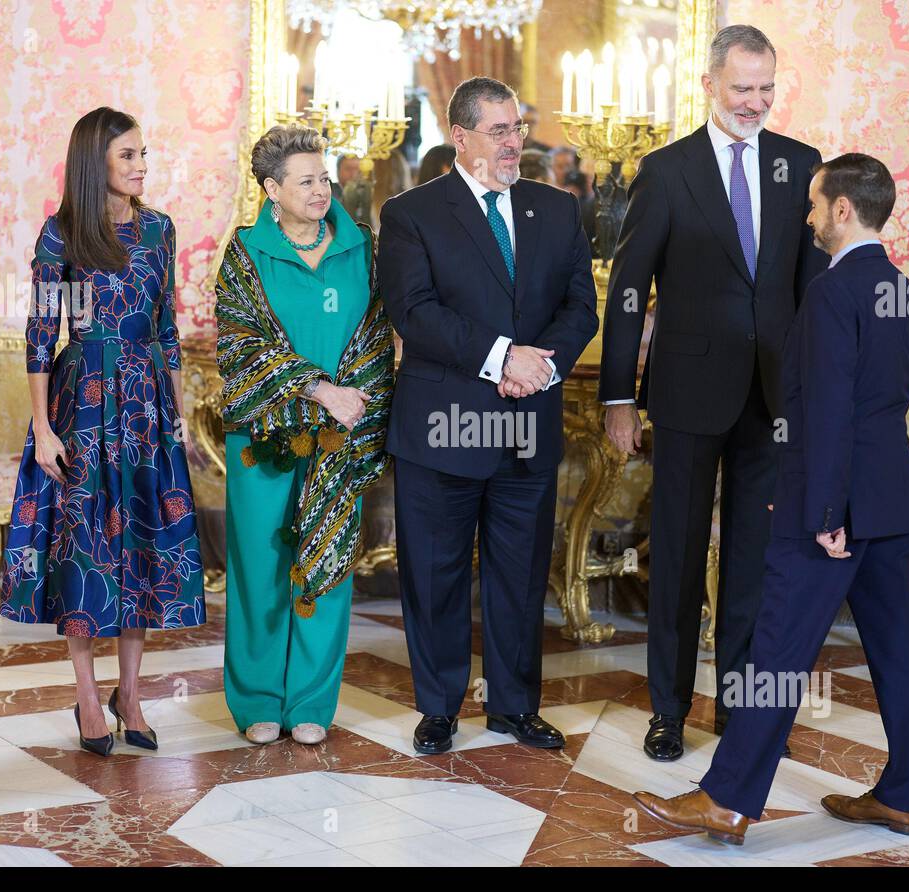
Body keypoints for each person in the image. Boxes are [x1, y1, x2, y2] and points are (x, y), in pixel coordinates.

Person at [633, 153, 909, 844]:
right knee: (898, 654)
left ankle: (728, 798)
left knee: (775, 651)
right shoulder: (907, 293)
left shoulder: (832, 293)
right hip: (895, 502)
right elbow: (884, 409)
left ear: (841, 210)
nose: (805, 217)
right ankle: (907, 796)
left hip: (834, 511)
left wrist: (827, 511)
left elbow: (829, 408)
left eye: (812, 204)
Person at [599, 25, 827, 762]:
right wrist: (618, 398)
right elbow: (629, 290)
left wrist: (814, 394)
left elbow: (809, 291)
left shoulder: (801, 166)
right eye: (742, 89)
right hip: (687, 394)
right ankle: (668, 709)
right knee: (676, 555)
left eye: (766, 88)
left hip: (773, 399)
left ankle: (740, 707)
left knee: (756, 561)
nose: (755, 102)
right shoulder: (666, 171)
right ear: (708, 85)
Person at [378, 76, 598, 755]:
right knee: (436, 574)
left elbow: (579, 308)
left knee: (521, 575)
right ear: (460, 137)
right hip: (442, 429)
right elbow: (413, 312)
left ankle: (513, 707)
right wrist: (503, 356)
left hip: (527, 425)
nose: (514, 144)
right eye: (499, 131)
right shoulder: (411, 214)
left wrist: (542, 362)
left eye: (518, 130)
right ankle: (440, 708)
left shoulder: (556, 209)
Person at [0, 107, 205, 757]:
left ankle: (133, 695)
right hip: (82, 403)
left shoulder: (160, 230)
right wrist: (43, 428)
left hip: (146, 405)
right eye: (129, 156)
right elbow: (39, 337)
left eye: (145, 154)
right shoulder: (62, 235)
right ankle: (89, 697)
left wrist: (178, 418)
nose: (143, 165)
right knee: (85, 552)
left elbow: (167, 330)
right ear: (97, 162)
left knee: (142, 546)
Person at [215, 125, 393, 746]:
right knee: (260, 566)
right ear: (271, 189)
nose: (322, 190)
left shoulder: (363, 246)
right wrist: (320, 391)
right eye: (306, 180)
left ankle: (313, 701)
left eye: (325, 177)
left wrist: (352, 401)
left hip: (340, 436)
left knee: (329, 565)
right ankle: (259, 701)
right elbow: (240, 347)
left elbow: (376, 338)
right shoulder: (244, 252)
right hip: (264, 437)